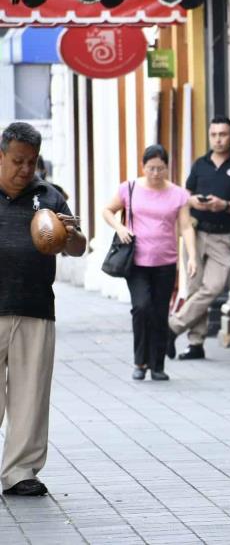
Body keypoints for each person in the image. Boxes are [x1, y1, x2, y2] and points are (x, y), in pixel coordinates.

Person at [0, 122, 87, 496]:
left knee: (30, 394)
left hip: (35, 307)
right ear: (1, 155)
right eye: (18, 161)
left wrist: (70, 235)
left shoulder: (48, 196)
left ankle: (20, 471)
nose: (25, 169)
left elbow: (80, 247)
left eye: (31, 162)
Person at [102, 145, 197, 381]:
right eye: (151, 168)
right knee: (142, 307)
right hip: (136, 261)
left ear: (167, 167)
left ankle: (157, 365)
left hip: (166, 261)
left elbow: (186, 227)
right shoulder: (130, 188)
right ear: (143, 167)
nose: (156, 173)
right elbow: (107, 210)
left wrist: (192, 257)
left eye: (160, 168)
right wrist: (120, 227)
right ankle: (139, 361)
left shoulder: (178, 194)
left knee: (159, 312)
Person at [167, 116, 230, 361]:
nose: (218, 139)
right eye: (214, 134)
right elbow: (185, 195)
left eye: (223, 134)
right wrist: (195, 201)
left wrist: (224, 205)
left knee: (212, 287)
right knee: (193, 287)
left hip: (224, 237)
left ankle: (172, 327)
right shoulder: (200, 164)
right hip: (196, 232)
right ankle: (195, 343)